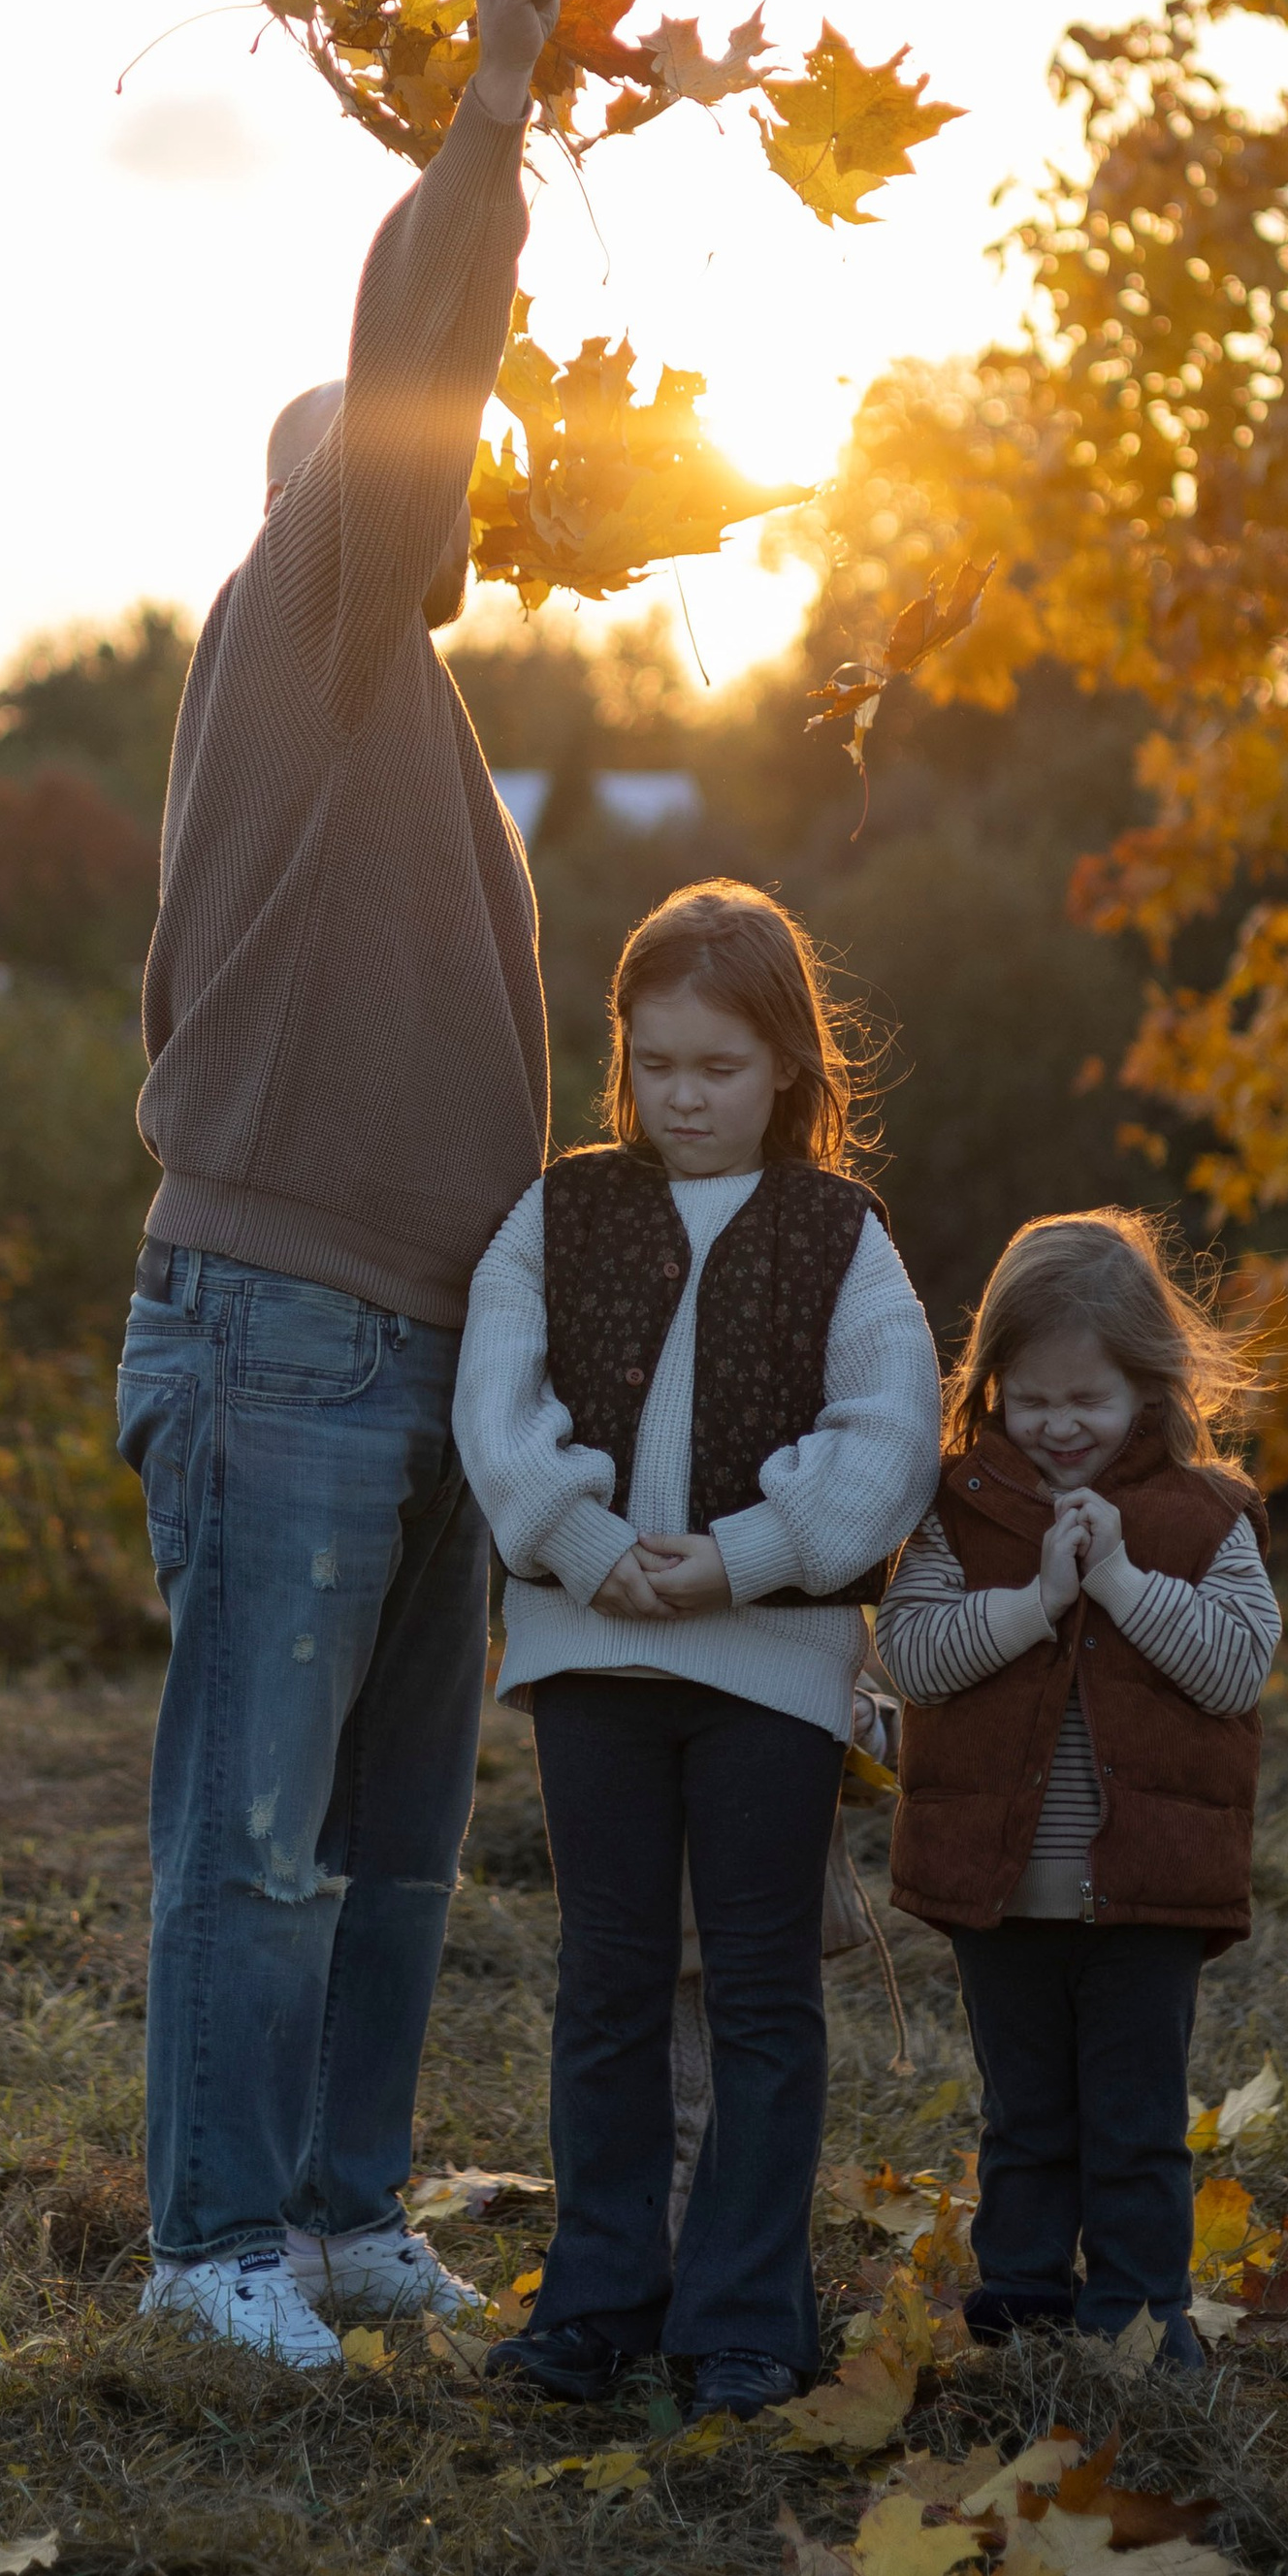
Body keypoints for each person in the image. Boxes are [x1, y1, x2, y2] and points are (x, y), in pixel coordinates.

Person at [118, 0, 575, 2369]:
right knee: (259, 1834)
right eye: (404, 463)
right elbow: (416, 356)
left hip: (425, 1355)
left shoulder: (408, 726)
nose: (443, 484)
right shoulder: (292, 622)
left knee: (394, 1841)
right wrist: (486, 114)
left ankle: (334, 2208)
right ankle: (208, 2248)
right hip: (280, 1332)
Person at [455, 882, 940, 2413]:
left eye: (718, 1067)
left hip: (771, 1672)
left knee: (760, 1989)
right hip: (588, 1658)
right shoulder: (560, 1208)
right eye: (656, 1063)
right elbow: (497, 1400)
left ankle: (744, 2317)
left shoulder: (838, 1234)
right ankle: (597, 2304)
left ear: (787, 1064)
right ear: (623, 1058)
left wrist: (740, 1556)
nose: (685, 1097)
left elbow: (887, 1434)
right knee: (604, 1983)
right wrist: (590, 1547)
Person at [875, 1210, 1279, 2367]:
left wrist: (1117, 1577)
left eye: (1086, 1403)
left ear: (1147, 1391)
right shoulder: (962, 1511)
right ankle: (1023, 2311)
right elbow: (914, 1654)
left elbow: (1234, 1665)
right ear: (993, 1383)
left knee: (1136, 2123)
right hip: (998, 1886)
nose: (1057, 1429)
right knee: (1025, 2117)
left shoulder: (1208, 1518)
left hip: (1148, 1888)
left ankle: (1142, 2321)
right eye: (1030, 1398)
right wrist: (1038, 1601)